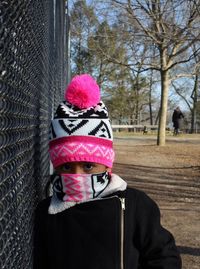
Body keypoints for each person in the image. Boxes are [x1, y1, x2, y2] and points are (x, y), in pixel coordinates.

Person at [34, 74, 182, 269]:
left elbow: (164, 257)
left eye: (88, 166)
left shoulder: (136, 206)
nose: (77, 176)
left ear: (107, 164)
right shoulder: (47, 212)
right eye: (66, 167)